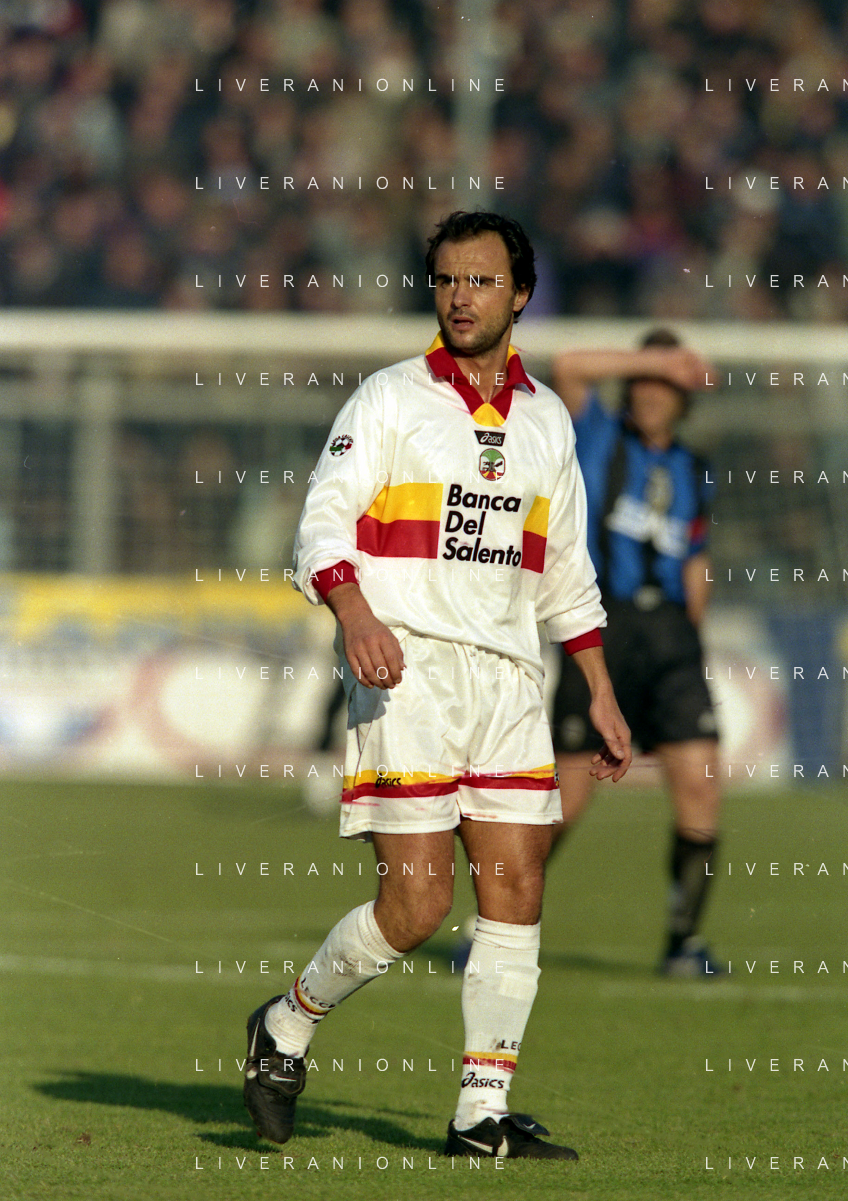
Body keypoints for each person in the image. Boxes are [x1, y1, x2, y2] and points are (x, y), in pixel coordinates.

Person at [242, 210, 631, 1160]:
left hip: (510, 680)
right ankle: (286, 1023)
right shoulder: (388, 398)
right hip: (408, 671)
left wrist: (601, 688)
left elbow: (565, 570)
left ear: (521, 294)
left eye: (481, 280)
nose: (461, 297)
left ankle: (479, 1115)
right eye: (449, 279)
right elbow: (321, 526)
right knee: (416, 909)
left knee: (517, 885)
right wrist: (356, 615)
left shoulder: (547, 419)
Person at [550, 330, 722, 976]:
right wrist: (657, 358)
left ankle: (684, 942)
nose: (651, 393)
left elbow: (696, 558)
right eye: (643, 380)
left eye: (665, 384)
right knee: (566, 800)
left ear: (683, 399)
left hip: (672, 639)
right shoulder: (598, 435)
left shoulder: (695, 468)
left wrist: (692, 638)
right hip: (603, 628)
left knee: (701, 786)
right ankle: (493, 923)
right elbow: (569, 363)